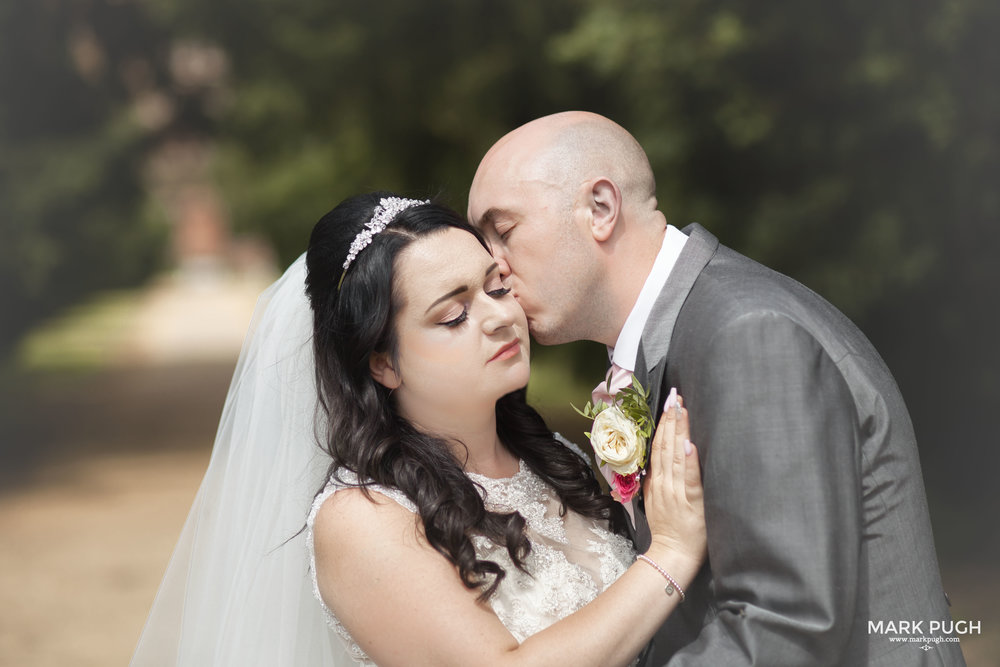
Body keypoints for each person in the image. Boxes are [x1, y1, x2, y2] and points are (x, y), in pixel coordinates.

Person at [467, 111, 966, 666]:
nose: (493, 267)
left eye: (503, 231)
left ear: (600, 209)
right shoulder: (687, 335)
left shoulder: (746, 334)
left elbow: (786, 624)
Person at [132, 192, 707, 666]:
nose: (499, 316)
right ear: (382, 362)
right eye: (453, 315)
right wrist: (672, 554)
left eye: (498, 286)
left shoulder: (553, 456)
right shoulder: (365, 519)